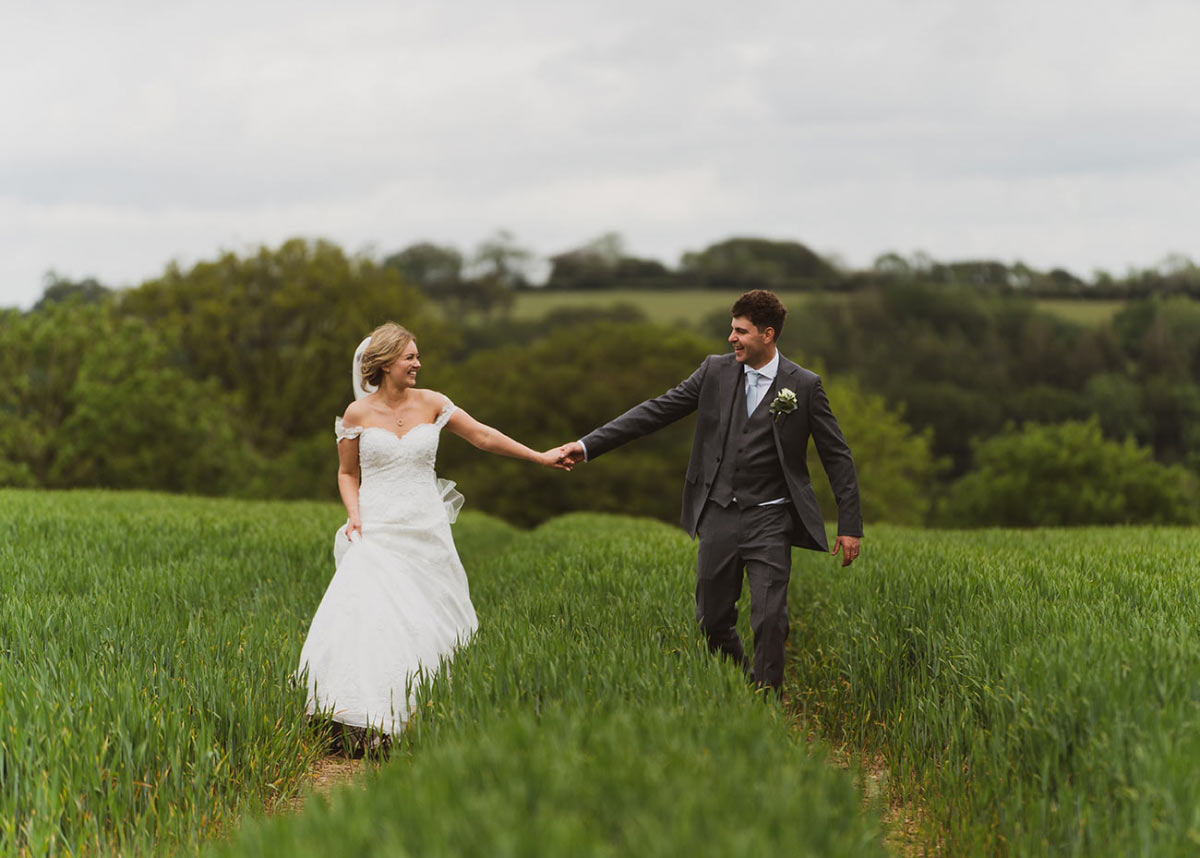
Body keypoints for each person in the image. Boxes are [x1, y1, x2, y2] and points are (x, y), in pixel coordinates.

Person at [559, 290, 862, 693]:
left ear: (768, 335)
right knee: (713, 621)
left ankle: (767, 700)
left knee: (770, 616)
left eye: (741, 331)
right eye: (732, 329)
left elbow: (836, 455)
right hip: (719, 514)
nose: (731, 338)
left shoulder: (804, 386)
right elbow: (656, 410)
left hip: (771, 517)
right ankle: (743, 683)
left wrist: (850, 524)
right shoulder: (714, 372)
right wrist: (586, 445)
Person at [297, 322, 571, 739]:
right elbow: (347, 473)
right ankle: (359, 717)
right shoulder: (358, 414)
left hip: (425, 527)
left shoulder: (433, 403)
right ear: (386, 363)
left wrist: (538, 456)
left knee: (426, 617)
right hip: (378, 527)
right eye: (410, 357)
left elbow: (482, 436)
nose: (418, 364)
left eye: (416, 356)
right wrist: (354, 515)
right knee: (373, 617)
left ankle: (418, 714)